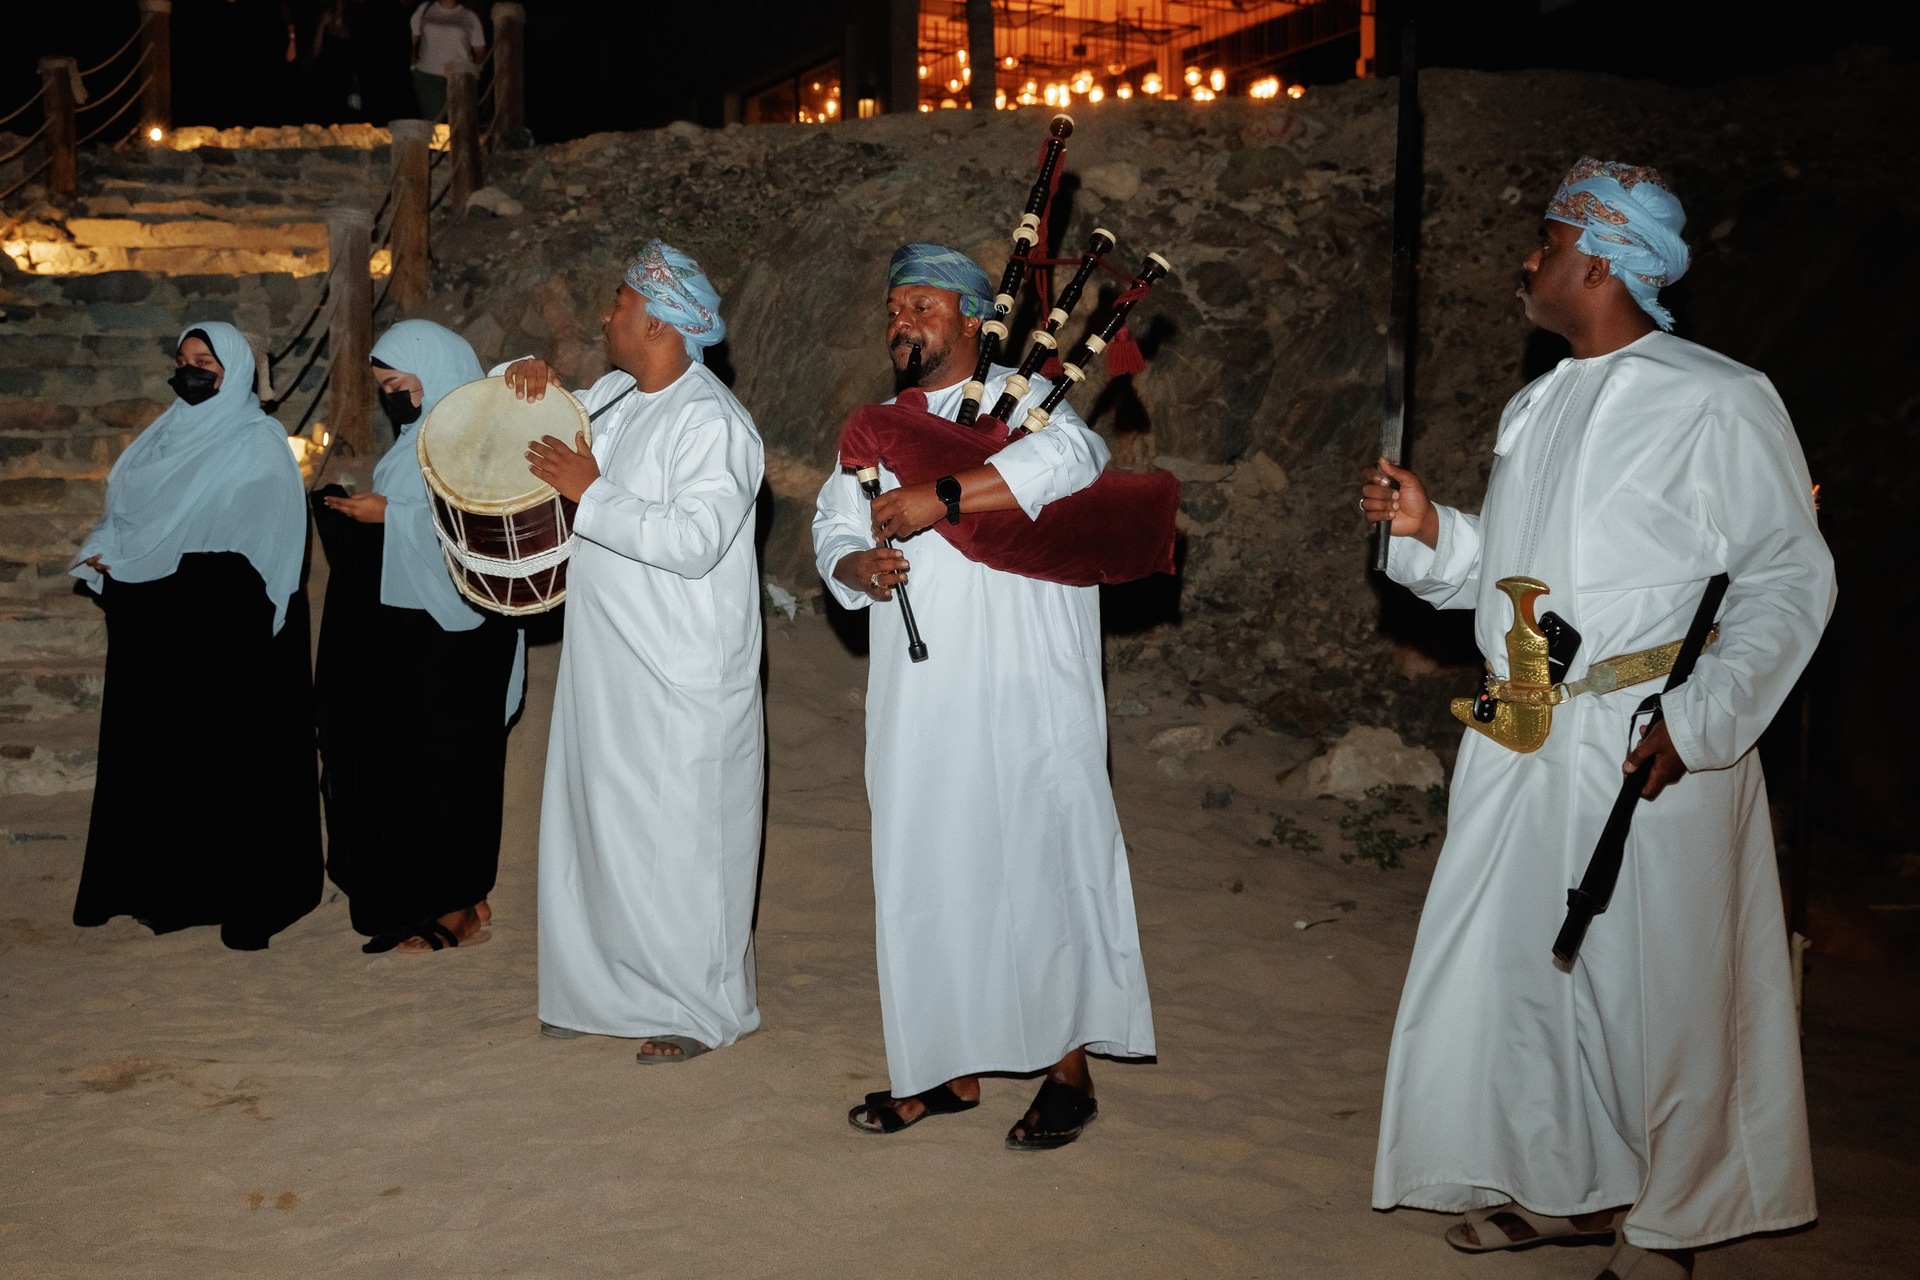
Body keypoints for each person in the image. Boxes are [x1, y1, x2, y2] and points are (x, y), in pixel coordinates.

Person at [1360, 159, 1834, 1279]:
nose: (1530, 258)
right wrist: (1436, 533)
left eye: (1548, 239)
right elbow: (1523, 574)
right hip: (1523, 721)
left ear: (1603, 260)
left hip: (1644, 733)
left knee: (1656, 982)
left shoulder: (1719, 396)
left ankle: (1672, 1223)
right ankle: (1565, 1188)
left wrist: (1702, 717)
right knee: (1527, 970)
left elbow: (1786, 575)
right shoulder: (1539, 400)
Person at [811, 243, 1156, 1148]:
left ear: (975, 320)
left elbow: (1075, 463)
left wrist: (941, 496)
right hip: (922, 695)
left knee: (1038, 862)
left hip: (1028, 687)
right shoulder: (877, 427)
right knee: (929, 869)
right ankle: (945, 1070)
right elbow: (833, 526)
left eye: (923, 306)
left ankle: (1068, 1073)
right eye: (894, 309)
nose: (903, 322)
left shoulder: (1030, 404)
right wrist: (856, 565)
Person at [497, 239, 764, 1064]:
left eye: (620, 304)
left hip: (683, 670)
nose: (607, 316)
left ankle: (699, 1010)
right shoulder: (613, 395)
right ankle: (600, 994)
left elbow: (694, 540)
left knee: (681, 840)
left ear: (657, 323)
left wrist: (592, 493)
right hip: (607, 658)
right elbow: (545, 424)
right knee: (599, 825)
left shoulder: (713, 421)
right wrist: (522, 378)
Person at [70, 322, 322, 951]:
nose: (190, 370)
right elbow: (127, 516)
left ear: (234, 370)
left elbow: (266, 538)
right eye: (183, 359)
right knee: (158, 757)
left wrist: (164, 566)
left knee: (226, 764)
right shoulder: (160, 438)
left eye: (205, 361)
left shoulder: (258, 443)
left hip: (224, 635)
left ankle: (234, 895)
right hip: (157, 626)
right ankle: (154, 887)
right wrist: (110, 551)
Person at [313, 319, 524, 954]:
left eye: (399, 384)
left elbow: (492, 529)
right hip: (414, 632)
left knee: (453, 765)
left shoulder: (482, 439)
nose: (392, 397)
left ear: (435, 373)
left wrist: (391, 515)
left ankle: (459, 908)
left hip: (465, 637)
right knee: (417, 768)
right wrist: (370, 514)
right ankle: (457, 895)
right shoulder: (415, 442)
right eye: (383, 388)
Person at [409, 0, 484, 123]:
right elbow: (413, 37)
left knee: (460, 123)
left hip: (459, 77)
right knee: (435, 122)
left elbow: (479, 49)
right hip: (428, 76)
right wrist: (413, 63)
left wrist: (474, 72)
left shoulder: (470, 16)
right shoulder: (425, 8)